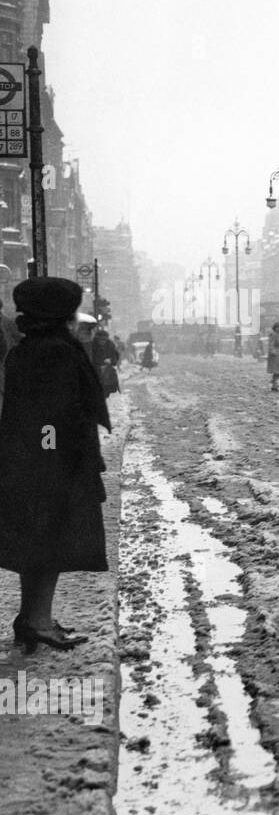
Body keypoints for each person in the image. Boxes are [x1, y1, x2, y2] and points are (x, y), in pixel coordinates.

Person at [0, 277, 110, 652]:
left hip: (36, 459)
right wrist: (51, 452)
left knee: (39, 543)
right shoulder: (54, 351)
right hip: (51, 463)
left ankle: (33, 618)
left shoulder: (32, 347)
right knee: (50, 542)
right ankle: (38, 621)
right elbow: (46, 415)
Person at [91, 327, 120, 397]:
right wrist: (97, 363)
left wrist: (111, 361)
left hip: (107, 371)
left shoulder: (110, 345)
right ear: (97, 339)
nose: (102, 341)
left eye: (104, 339)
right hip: (95, 369)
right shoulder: (91, 345)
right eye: (100, 340)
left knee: (108, 387)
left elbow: (116, 356)